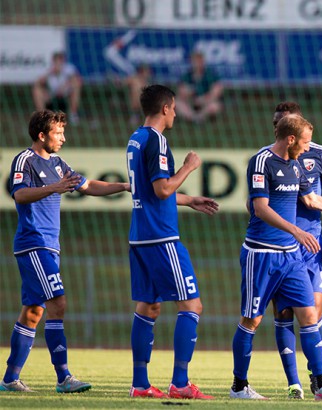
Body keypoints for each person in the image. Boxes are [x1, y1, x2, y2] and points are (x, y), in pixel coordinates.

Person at [230, 114, 322, 401]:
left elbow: (314, 200)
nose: (307, 147)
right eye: (304, 141)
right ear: (290, 139)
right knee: (252, 319)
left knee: (310, 315)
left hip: (291, 259)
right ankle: (239, 386)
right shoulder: (261, 162)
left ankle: (321, 383)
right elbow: (260, 208)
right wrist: (296, 230)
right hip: (261, 255)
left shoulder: (296, 167)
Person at [1, 110, 129, 393]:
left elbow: (88, 186)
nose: (63, 138)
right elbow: (19, 194)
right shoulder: (25, 159)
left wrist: (123, 186)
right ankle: (63, 377)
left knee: (33, 311)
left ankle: (10, 378)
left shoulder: (59, 163)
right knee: (58, 302)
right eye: (58, 133)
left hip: (50, 245)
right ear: (41, 135)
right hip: (33, 243)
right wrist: (55, 187)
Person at [126, 84, 219, 400]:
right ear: (165, 108)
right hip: (162, 237)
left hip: (140, 236)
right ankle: (180, 383)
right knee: (192, 305)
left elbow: (154, 192)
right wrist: (188, 168)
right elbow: (163, 189)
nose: (177, 113)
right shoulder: (158, 141)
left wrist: (190, 199)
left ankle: (140, 384)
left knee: (149, 306)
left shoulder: (136, 139)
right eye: (175, 107)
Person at [266, 102, 322, 399]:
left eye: (283, 122)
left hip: (311, 248)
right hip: (281, 248)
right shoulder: (267, 159)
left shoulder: (320, 154)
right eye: (275, 123)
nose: (278, 128)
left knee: (313, 313)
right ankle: (293, 384)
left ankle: (318, 380)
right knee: (284, 312)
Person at [32, 52, 82, 125]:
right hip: (51, 94)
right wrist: (50, 73)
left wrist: (64, 87)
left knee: (76, 86)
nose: (59, 63)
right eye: (57, 61)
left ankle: (73, 114)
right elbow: (38, 82)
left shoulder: (69, 68)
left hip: (65, 92)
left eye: (61, 61)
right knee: (36, 90)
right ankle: (42, 117)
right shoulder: (48, 69)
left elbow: (77, 80)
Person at [176, 50, 223, 124]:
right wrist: (189, 93)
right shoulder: (187, 75)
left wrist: (203, 99)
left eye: (199, 61)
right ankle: (193, 118)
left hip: (206, 103)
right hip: (191, 102)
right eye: (195, 61)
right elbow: (181, 92)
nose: (197, 63)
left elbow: (216, 92)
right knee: (177, 103)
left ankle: (200, 117)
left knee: (215, 106)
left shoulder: (211, 75)